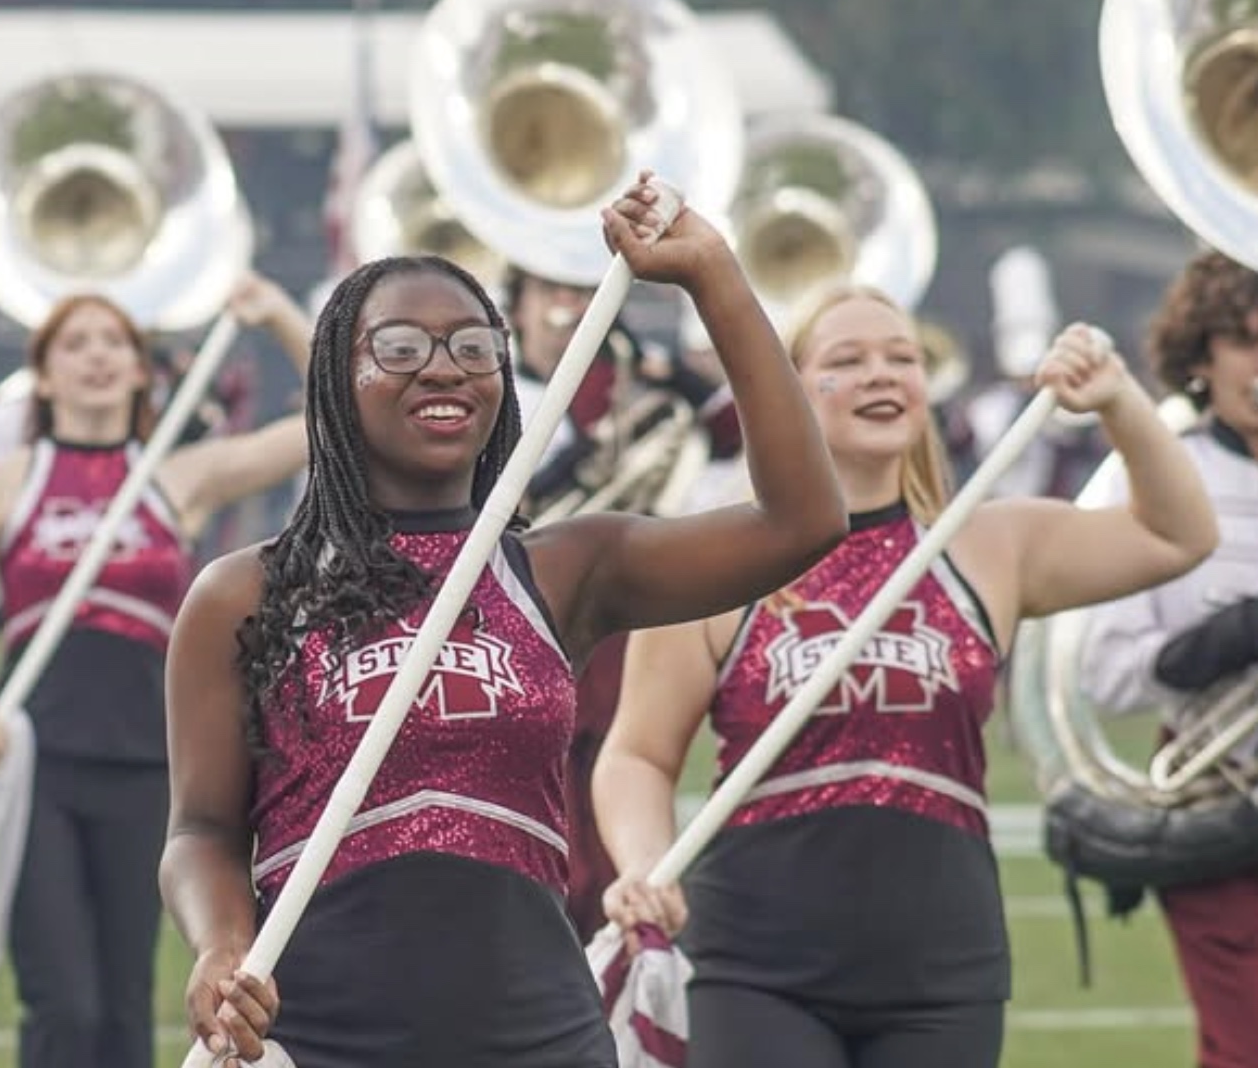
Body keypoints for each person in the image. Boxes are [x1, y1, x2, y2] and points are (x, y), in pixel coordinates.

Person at [161, 176, 850, 1068]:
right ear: (337, 378)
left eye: (473, 346)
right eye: (400, 347)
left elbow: (802, 521)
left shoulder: (566, 568)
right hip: (322, 1036)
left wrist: (712, 274)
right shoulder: (243, 595)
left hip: (541, 1037)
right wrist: (219, 945)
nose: (443, 367)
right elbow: (202, 831)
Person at [591, 283, 1218, 1068]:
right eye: (846, 361)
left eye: (902, 358)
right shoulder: (723, 561)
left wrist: (1120, 402)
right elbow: (638, 755)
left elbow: (1179, 535)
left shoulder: (992, 544)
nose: (881, 375)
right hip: (754, 965)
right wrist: (644, 864)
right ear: (786, 391)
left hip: (943, 969)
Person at [0, 270, 312, 1068]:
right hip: (36, 769)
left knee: (127, 998)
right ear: (43, 371)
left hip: (146, 765)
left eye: (113, 343)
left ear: (140, 369)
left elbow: (325, 427)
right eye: (75, 343)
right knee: (63, 999)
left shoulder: (178, 478)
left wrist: (279, 315)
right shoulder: (0, 486)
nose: (95, 357)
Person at [502, 263, 731, 938]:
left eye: (579, 291)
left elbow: (734, 435)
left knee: (606, 818)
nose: (568, 307)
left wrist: (684, 381)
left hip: (612, 639)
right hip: (519, 626)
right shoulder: (491, 387)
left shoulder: (627, 389)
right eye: (551, 292)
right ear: (517, 308)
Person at [1078, 249, 1258, 1068]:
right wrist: (1223, 641)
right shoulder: (1155, 475)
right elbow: (1107, 675)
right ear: (1199, 358)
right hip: (1227, 808)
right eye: (1250, 343)